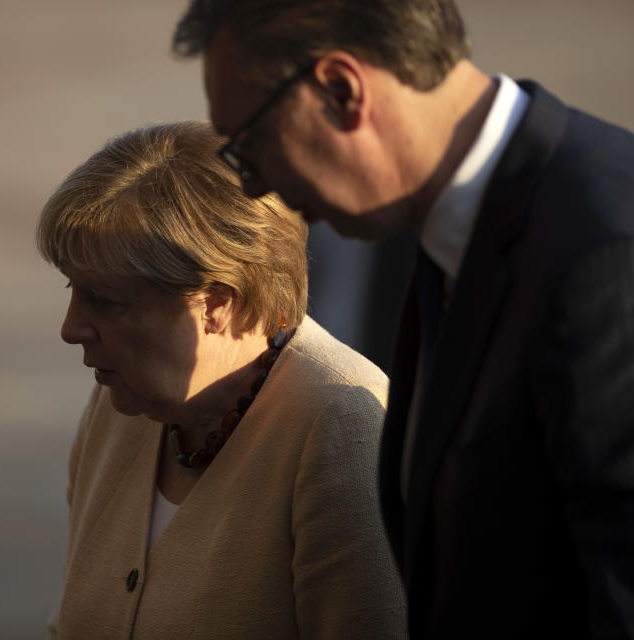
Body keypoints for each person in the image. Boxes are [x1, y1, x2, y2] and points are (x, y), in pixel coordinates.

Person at [172, 1, 634, 637]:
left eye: (251, 144)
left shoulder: (602, 250)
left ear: (342, 90)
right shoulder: (459, 227)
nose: (254, 187)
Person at [38, 121, 406, 639]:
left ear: (216, 303)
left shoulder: (340, 429)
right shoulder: (124, 402)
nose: (71, 328)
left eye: (106, 301)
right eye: (74, 289)